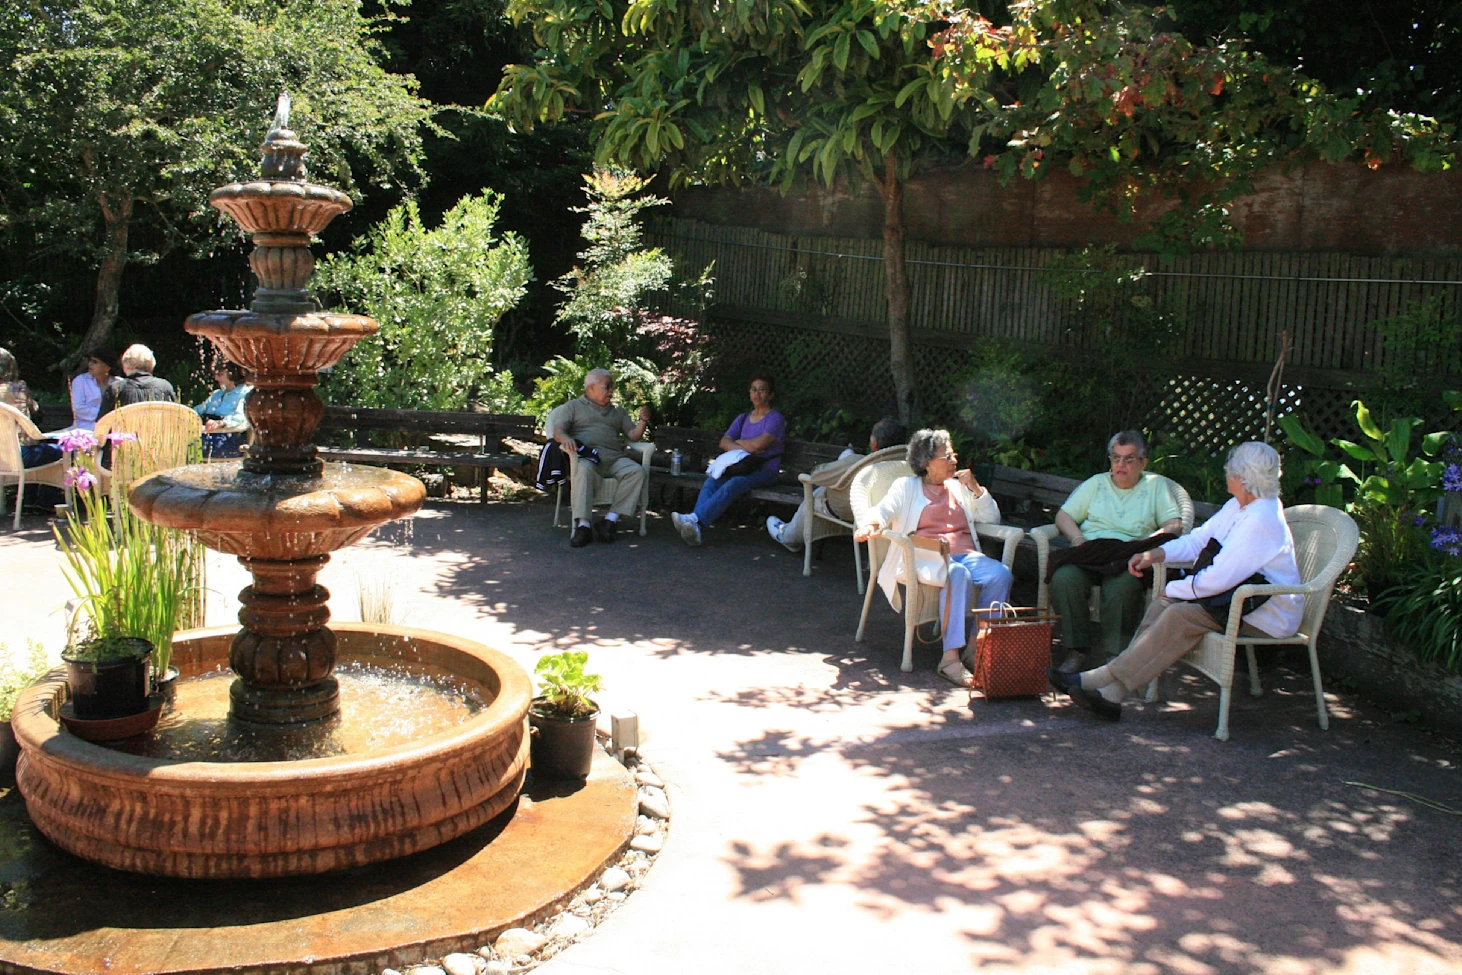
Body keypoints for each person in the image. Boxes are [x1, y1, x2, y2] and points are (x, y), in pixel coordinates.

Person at [1048, 441, 1303, 722]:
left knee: (1178, 613)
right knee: (1165, 605)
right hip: (1235, 601)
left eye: (1229, 471)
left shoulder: (1261, 519)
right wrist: (1156, 553)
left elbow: (1217, 579)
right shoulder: (1240, 506)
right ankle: (1111, 696)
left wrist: (1174, 587)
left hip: (1264, 615)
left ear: (1243, 478)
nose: (1226, 475)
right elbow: (1197, 541)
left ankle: (1099, 678)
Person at [854, 428, 1014, 687]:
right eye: (947, 455)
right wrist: (871, 525)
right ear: (927, 462)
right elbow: (884, 510)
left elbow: (990, 519)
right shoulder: (906, 487)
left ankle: (976, 648)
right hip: (923, 556)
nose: (954, 459)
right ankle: (950, 659)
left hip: (965, 554)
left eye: (953, 454)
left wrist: (975, 488)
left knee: (1000, 574)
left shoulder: (957, 487)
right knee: (957, 574)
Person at [1047, 430, 1184, 671]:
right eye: (1115, 458)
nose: (1120, 465)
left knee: (1123, 585)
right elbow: (1063, 515)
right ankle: (1075, 651)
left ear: (1143, 463)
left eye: (1129, 459)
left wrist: (1145, 547)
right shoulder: (1096, 483)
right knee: (1064, 577)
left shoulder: (1156, 486)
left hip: (1128, 556)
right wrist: (1077, 539)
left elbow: (1173, 525)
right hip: (1092, 552)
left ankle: (1115, 657)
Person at [672, 374, 785, 546]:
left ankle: (695, 520)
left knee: (735, 483)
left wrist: (738, 443)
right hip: (740, 467)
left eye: (762, 389)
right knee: (712, 481)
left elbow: (760, 445)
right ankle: (695, 526)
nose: (757, 393)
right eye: (753, 389)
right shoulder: (742, 418)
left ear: (770, 395)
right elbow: (724, 442)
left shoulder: (775, 418)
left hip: (765, 471)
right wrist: (744, 445)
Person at [766, 416, 908, 551]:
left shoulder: (858, 463)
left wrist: (843, 462)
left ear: (874, 443)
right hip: (882, 514)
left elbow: (816, 475)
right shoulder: (906, 466)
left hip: (843, 510)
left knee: (815, 494)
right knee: (845, 457)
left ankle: (787, 537)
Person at [545, 367, 651, 548]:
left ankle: (609, 521)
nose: (611, 391)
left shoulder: (617, 411)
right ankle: (583, 526)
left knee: (637, 472)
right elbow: (558, 430)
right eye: (607, 386)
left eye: (612, 387)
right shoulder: (573, 407)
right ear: (591, 388)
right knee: (583, 469)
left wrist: (643, 421)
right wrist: (567, 439)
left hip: (615, 458)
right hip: (589, 458)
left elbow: (633, 435)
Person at [0, 346, 60, 468]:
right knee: (67, 450)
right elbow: (35, 412)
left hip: (2, 457)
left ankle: (26, 487)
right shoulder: (18, 388)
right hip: (19, 453)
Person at [97, 344, 176, 419]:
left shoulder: (116, 388)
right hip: (157, 432)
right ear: (152, 363)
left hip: (125, 433)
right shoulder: (165, 387)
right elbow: (176, 417)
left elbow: (102, 422)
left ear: (125, 364)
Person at [194, 360, 252, 458]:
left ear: (233, 373)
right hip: (208, 434)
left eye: (220, 374)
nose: (216, 378)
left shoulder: (244, 393)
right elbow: (198, 410)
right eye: (215, 374)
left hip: (227, 437)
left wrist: (221, 423)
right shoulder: (217, 394)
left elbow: (240, 417)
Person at [69, 346, 122, 431]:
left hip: (113, 428)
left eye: (95, 362)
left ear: (107, 367)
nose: (90, 364)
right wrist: (104, 413)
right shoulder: (80, 381)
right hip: (85, 429)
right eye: (90, 360)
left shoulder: (119, 383)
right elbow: (78, 408)